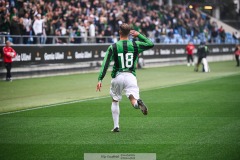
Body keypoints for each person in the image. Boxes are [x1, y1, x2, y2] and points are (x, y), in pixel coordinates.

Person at [96, 23, 154, 132]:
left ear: (119, 32)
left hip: (117, 76)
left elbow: (105, 64)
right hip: (131, 76)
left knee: (115, 100)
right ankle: (138, 104)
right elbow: (150, 44)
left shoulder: (113, 47)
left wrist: (100, 79)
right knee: (133, 99)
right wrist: (139, 35)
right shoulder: (135, 45)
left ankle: (116, 126)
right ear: (129, 33)